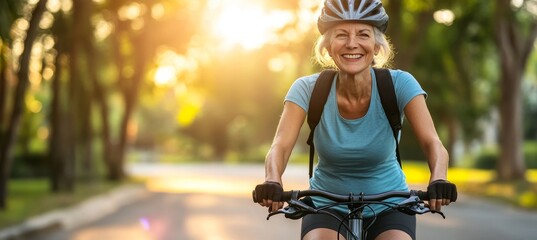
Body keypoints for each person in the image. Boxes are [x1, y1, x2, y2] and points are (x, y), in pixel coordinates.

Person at [254, 0, 458, 239]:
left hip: (390, 203)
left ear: (376, 45)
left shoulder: (400, 84)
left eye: (363, 34)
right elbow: (281, 145)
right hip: (325, 204)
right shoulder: (307, 89)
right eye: (341, 35)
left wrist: (439, 179)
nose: (352, 44)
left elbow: (433, 143)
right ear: (328, 46)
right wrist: (273, 180)